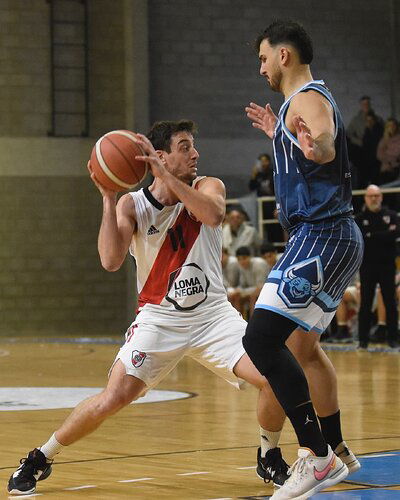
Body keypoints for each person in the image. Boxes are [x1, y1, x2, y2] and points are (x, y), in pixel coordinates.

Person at [8, 120, 294, 495]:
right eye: (184, 146)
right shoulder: (134, 204)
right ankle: (41, 456)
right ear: (160, 156)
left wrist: (168, 179)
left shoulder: (207, 187)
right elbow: (110, 260)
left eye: (194, 145)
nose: (195, 153)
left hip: (213, 317)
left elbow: (212, 215)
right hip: (160, 318)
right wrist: (109, 198)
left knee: (279, 375)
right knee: (114, 397)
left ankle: (268, 455)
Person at [244, 20, 363, 499]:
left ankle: (317, 456)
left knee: (260, 338)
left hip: (321, 235)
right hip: (333, 237)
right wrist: (281, 134)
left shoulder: (308, 98)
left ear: (284, 55)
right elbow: (310, 141)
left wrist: (319, 145)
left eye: (264, 58)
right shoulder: (298, 107)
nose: (262, 68)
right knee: (303, 347)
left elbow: (326, 136)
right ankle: (337, 448)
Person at [355, 184, 400, 349]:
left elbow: (395, 234)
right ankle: (363, 340)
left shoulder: (392, 215)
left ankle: (393, 338)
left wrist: (371, 235)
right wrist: (384, 235)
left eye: (377, 195)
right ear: (365, 198)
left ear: (381, 197)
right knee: (365, 303)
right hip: (367, 266)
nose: (374, 199)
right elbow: (362, 240)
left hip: (387, 266)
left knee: (390, 302)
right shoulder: (359, 219)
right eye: (371, 196)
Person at [235, 246, 270, 317]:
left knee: (253, 296)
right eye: (239, 259)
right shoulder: (241, 266)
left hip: (267, 290)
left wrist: (243, 291)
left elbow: (260, 287)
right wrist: (239, 291)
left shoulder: (259, 264)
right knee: (236, 297)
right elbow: (242, 285)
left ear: (250, 257)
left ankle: (252, 324)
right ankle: (239, 322)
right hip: (253, 290)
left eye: (244, 258)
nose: (242, 261)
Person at [377, 117, 400, 184]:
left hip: (397, 168)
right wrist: (389, 160)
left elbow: (397, 153)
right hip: (386, 169)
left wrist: (387, 154)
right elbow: (379, 154)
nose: (392, 127)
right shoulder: (384, 139)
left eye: (393, 125)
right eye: (389, 125)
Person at [221, 246, 241, 312]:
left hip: (241, 287)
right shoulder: (219, 264)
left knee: (233, 296)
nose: (220, 259)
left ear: (227, 255)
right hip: (232, 289)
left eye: (222, 256)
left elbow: (232, 283)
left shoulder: (233, 262)